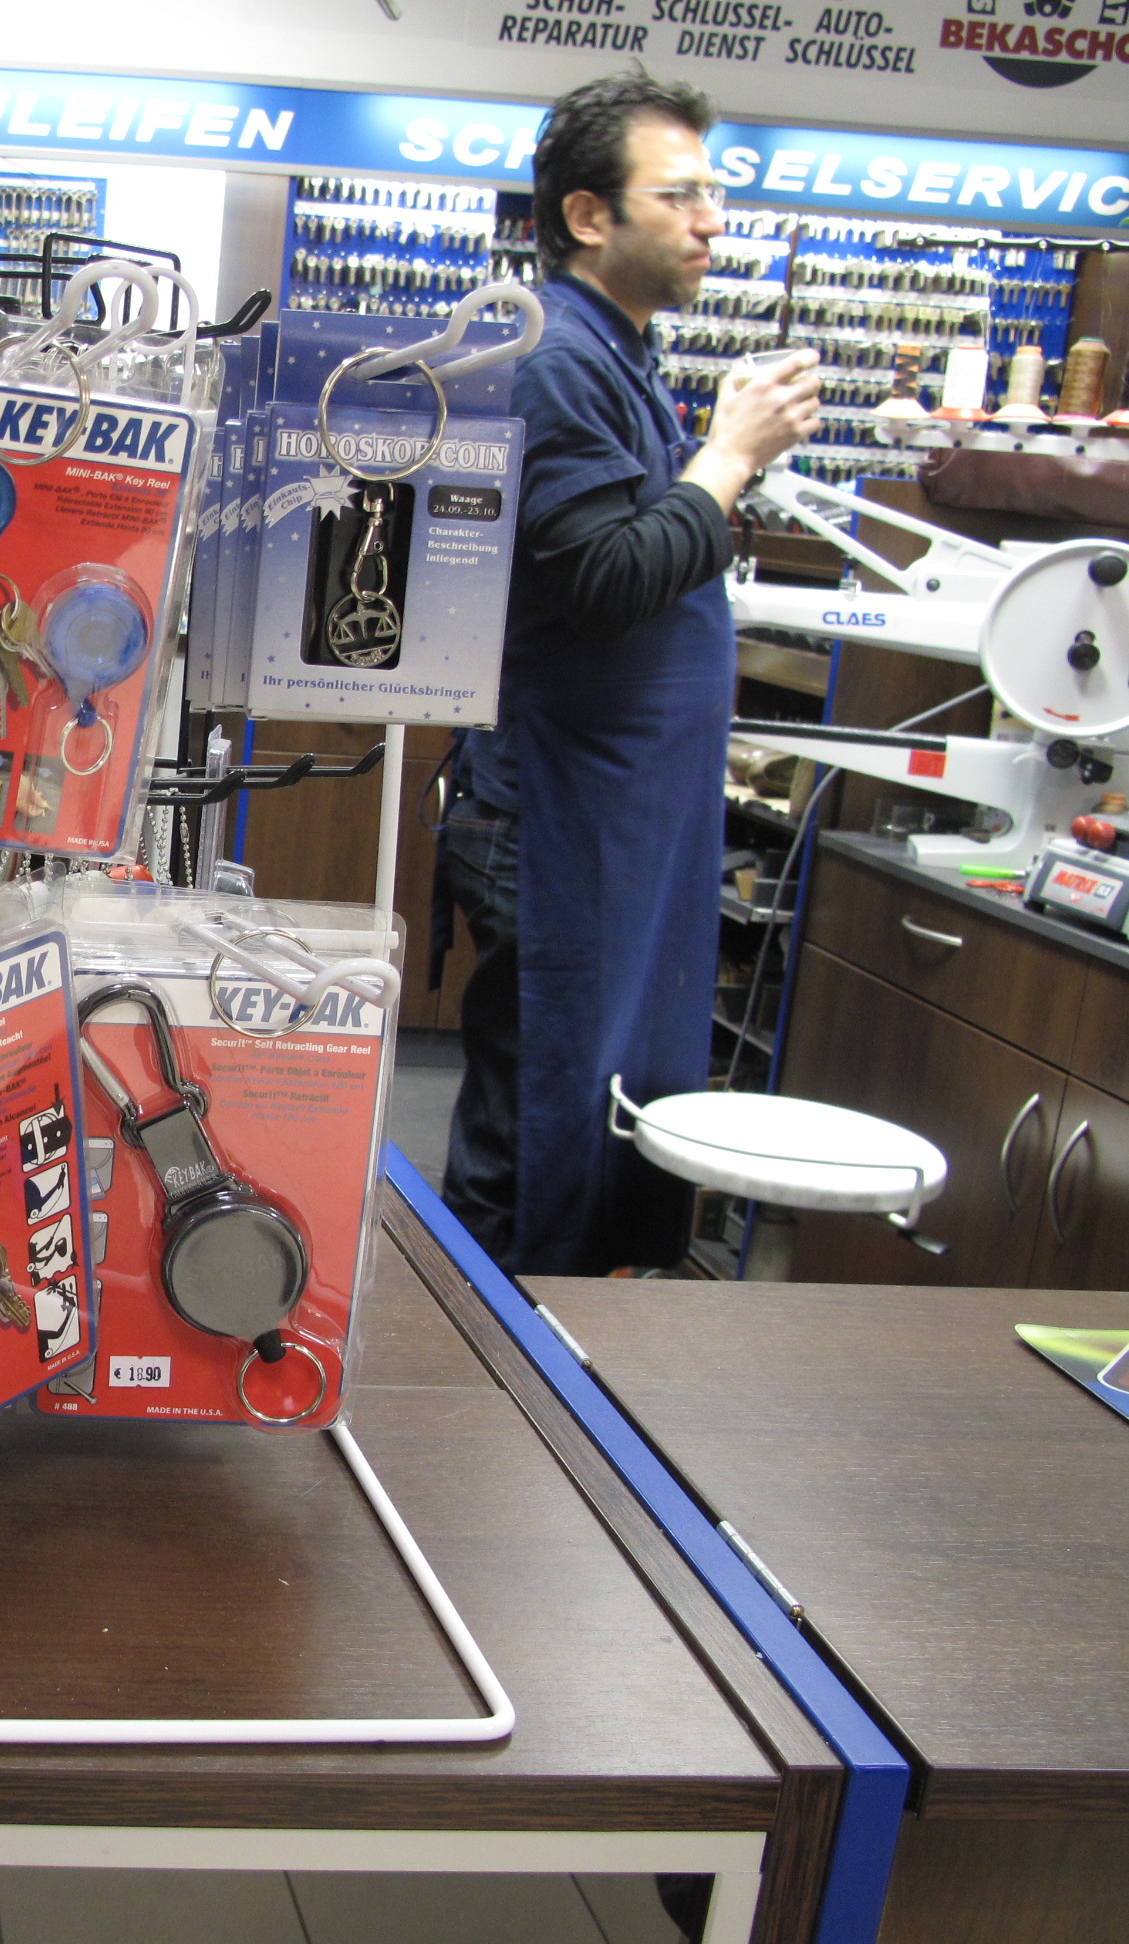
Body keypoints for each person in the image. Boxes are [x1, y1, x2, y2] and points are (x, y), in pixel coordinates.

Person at [439, 72, 821, 1275]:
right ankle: (490, 1361)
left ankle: (554, 1347)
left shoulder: (617, 356)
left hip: (612, 818)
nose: (713, 220)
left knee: (592, 1124)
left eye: (714, 194)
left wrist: (716, 458)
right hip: (560, 818)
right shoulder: (558, 359)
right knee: (542, 1137)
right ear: (589, 215)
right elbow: (607, 577)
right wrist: (730, 457)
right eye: (682, 195)